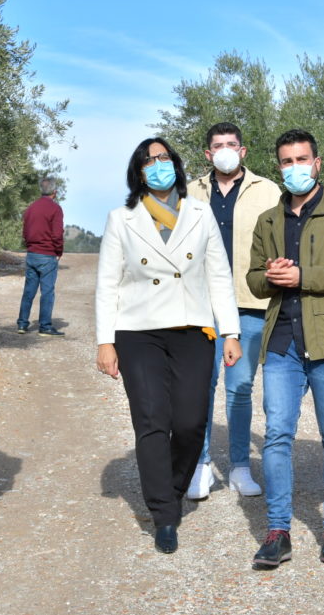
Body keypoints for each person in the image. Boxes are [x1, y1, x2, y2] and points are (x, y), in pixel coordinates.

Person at [95, 137, 242, 555]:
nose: (157, 165)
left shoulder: (200, 213)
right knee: (152, 419)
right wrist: (105, 341)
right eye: (148, 161)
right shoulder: (121, 218)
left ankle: (174, 486)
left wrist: (230, 332)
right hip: (138, 330)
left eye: (163, 158)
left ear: (175, 165)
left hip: (193, 329)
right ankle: (164, 512)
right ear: (138, 172)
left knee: (193, 421)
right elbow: (107, 284)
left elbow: (218, 275)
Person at [246, 129, 324, 568]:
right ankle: (278, 530)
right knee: (277, 437)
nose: (295, 167)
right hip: (282, 341)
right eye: (286, 161)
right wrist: (273, 276)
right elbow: (252, 280)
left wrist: (304, 276)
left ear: (317, 163)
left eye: (302, 159)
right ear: (278, 166)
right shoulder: (268, 220)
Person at [186, 122, 281, 500]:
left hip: (250, 302)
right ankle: (201, 465)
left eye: (232, 144)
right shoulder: (191, 191)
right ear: (208, 154)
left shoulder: (268, 190)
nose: (225, 149)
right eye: (217, 145)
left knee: (240, 388)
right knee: (200, 388)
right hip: (200, 304)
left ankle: (240, 466)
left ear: (243, 151)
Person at [17, 176, 64, 336]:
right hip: (47, 255)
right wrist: (58, 252)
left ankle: (22, 324)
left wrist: (29, 246)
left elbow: (25, 232)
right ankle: (44, 326)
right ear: (55, 192)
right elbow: (57, 234)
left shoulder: (31, 208)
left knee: (28, 291)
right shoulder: (55, 209)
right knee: (47, 292)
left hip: (32, 254)